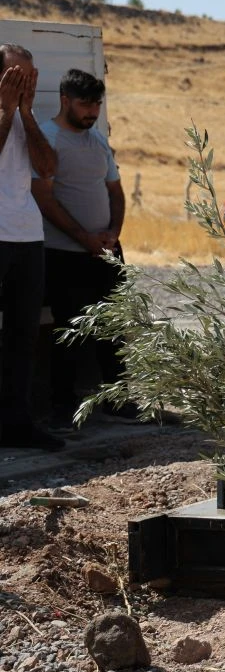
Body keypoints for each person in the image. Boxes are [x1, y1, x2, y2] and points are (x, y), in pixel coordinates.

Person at [31, 69, 137, 425]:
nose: (92, 111)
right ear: (65, 100)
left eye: (97, 104)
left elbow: (115, 191)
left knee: (114, 327)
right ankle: (63, 407)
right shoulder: (47, 139)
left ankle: (117, 400)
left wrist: (113, 232)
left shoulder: (98, 142)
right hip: (65, 254)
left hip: (106, 251)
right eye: (85, 104)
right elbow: (44, 199)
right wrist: (84, 238)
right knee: (69, 333)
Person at [0, 44, 62, 451]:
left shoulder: (27, 115)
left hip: (27, 236)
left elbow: (48, 167)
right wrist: (6, 111)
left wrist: (23, 111)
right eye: (16, 76)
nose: (25, 84)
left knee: (23, 336)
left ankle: (17, 424)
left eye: (30, 77)